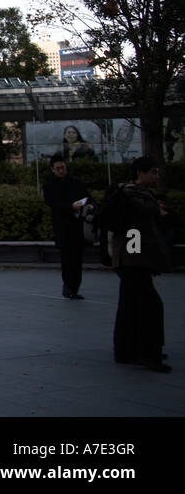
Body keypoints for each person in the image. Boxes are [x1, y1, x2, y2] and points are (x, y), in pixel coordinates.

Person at [99, 156, 171, 372]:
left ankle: (126, 350)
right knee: (150, 306)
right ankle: (148, 353)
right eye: (153, 172)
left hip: (128, 259)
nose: (156, 177)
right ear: (140, 173)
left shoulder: (129, 192)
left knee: (130, 305)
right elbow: (137, 228)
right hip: (132, 259)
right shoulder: (135, 194)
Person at [42, 154, 89, 299]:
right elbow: (52, 204)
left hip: (77, 224)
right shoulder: (49, 185)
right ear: (52, 169)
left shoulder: (76, 182)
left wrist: (90, 205)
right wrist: (70, 206)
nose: (61, 170)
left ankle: (74, 287)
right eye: (58, 168)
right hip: (62, 226)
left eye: (63, 167)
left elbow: (87, 196)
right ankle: (68, 286)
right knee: (67, 258)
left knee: (77, 258)